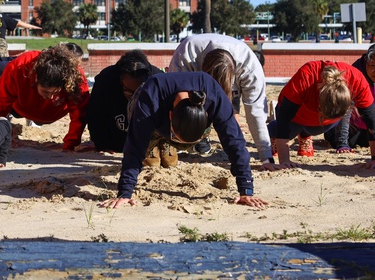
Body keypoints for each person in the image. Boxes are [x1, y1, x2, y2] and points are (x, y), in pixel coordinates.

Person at [99, 71, 268, 210]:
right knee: (142, 139)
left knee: (218, 136)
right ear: (170, 116)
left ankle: (169, 143)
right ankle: (156, 142)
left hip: (185, 120)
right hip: (153, 112)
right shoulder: (151, 97)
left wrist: (246, 189)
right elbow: (134, 146)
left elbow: (235, 142)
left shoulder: (214, 96)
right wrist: (125, 193)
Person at [166, 34, 271, 163]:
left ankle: (203, 137)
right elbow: (172, 95)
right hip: (192, 79)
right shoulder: (188, 53)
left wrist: (266, 157)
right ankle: (170, 142)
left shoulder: (250, 69)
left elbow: (256, 111)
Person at [266, 60, 375, 170]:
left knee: (315, 129)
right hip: (295, 116)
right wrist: (284, 160)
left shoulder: (357, 80)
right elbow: (284, 119)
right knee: (286, 131)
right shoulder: (307, 76)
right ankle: (272, 131)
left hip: (322, 122)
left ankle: (305, 135)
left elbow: (371, 119)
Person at [0, 44, 90, 151]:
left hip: (55, 110)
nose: (49, 97)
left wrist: (71, 143)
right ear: (36, 80)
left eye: (55, 92)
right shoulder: (18, 67)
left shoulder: (76, 76)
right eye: (46, 91)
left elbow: (79, 112)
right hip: (20, 106)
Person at [82, 50, 161, 153]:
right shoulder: (106, 79)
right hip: (115, 142)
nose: (133, 98)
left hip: (147, 143)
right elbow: (95, 114)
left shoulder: (157, 79)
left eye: (138, 93)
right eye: (129, 92)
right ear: (120, 79)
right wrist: (101, 144)